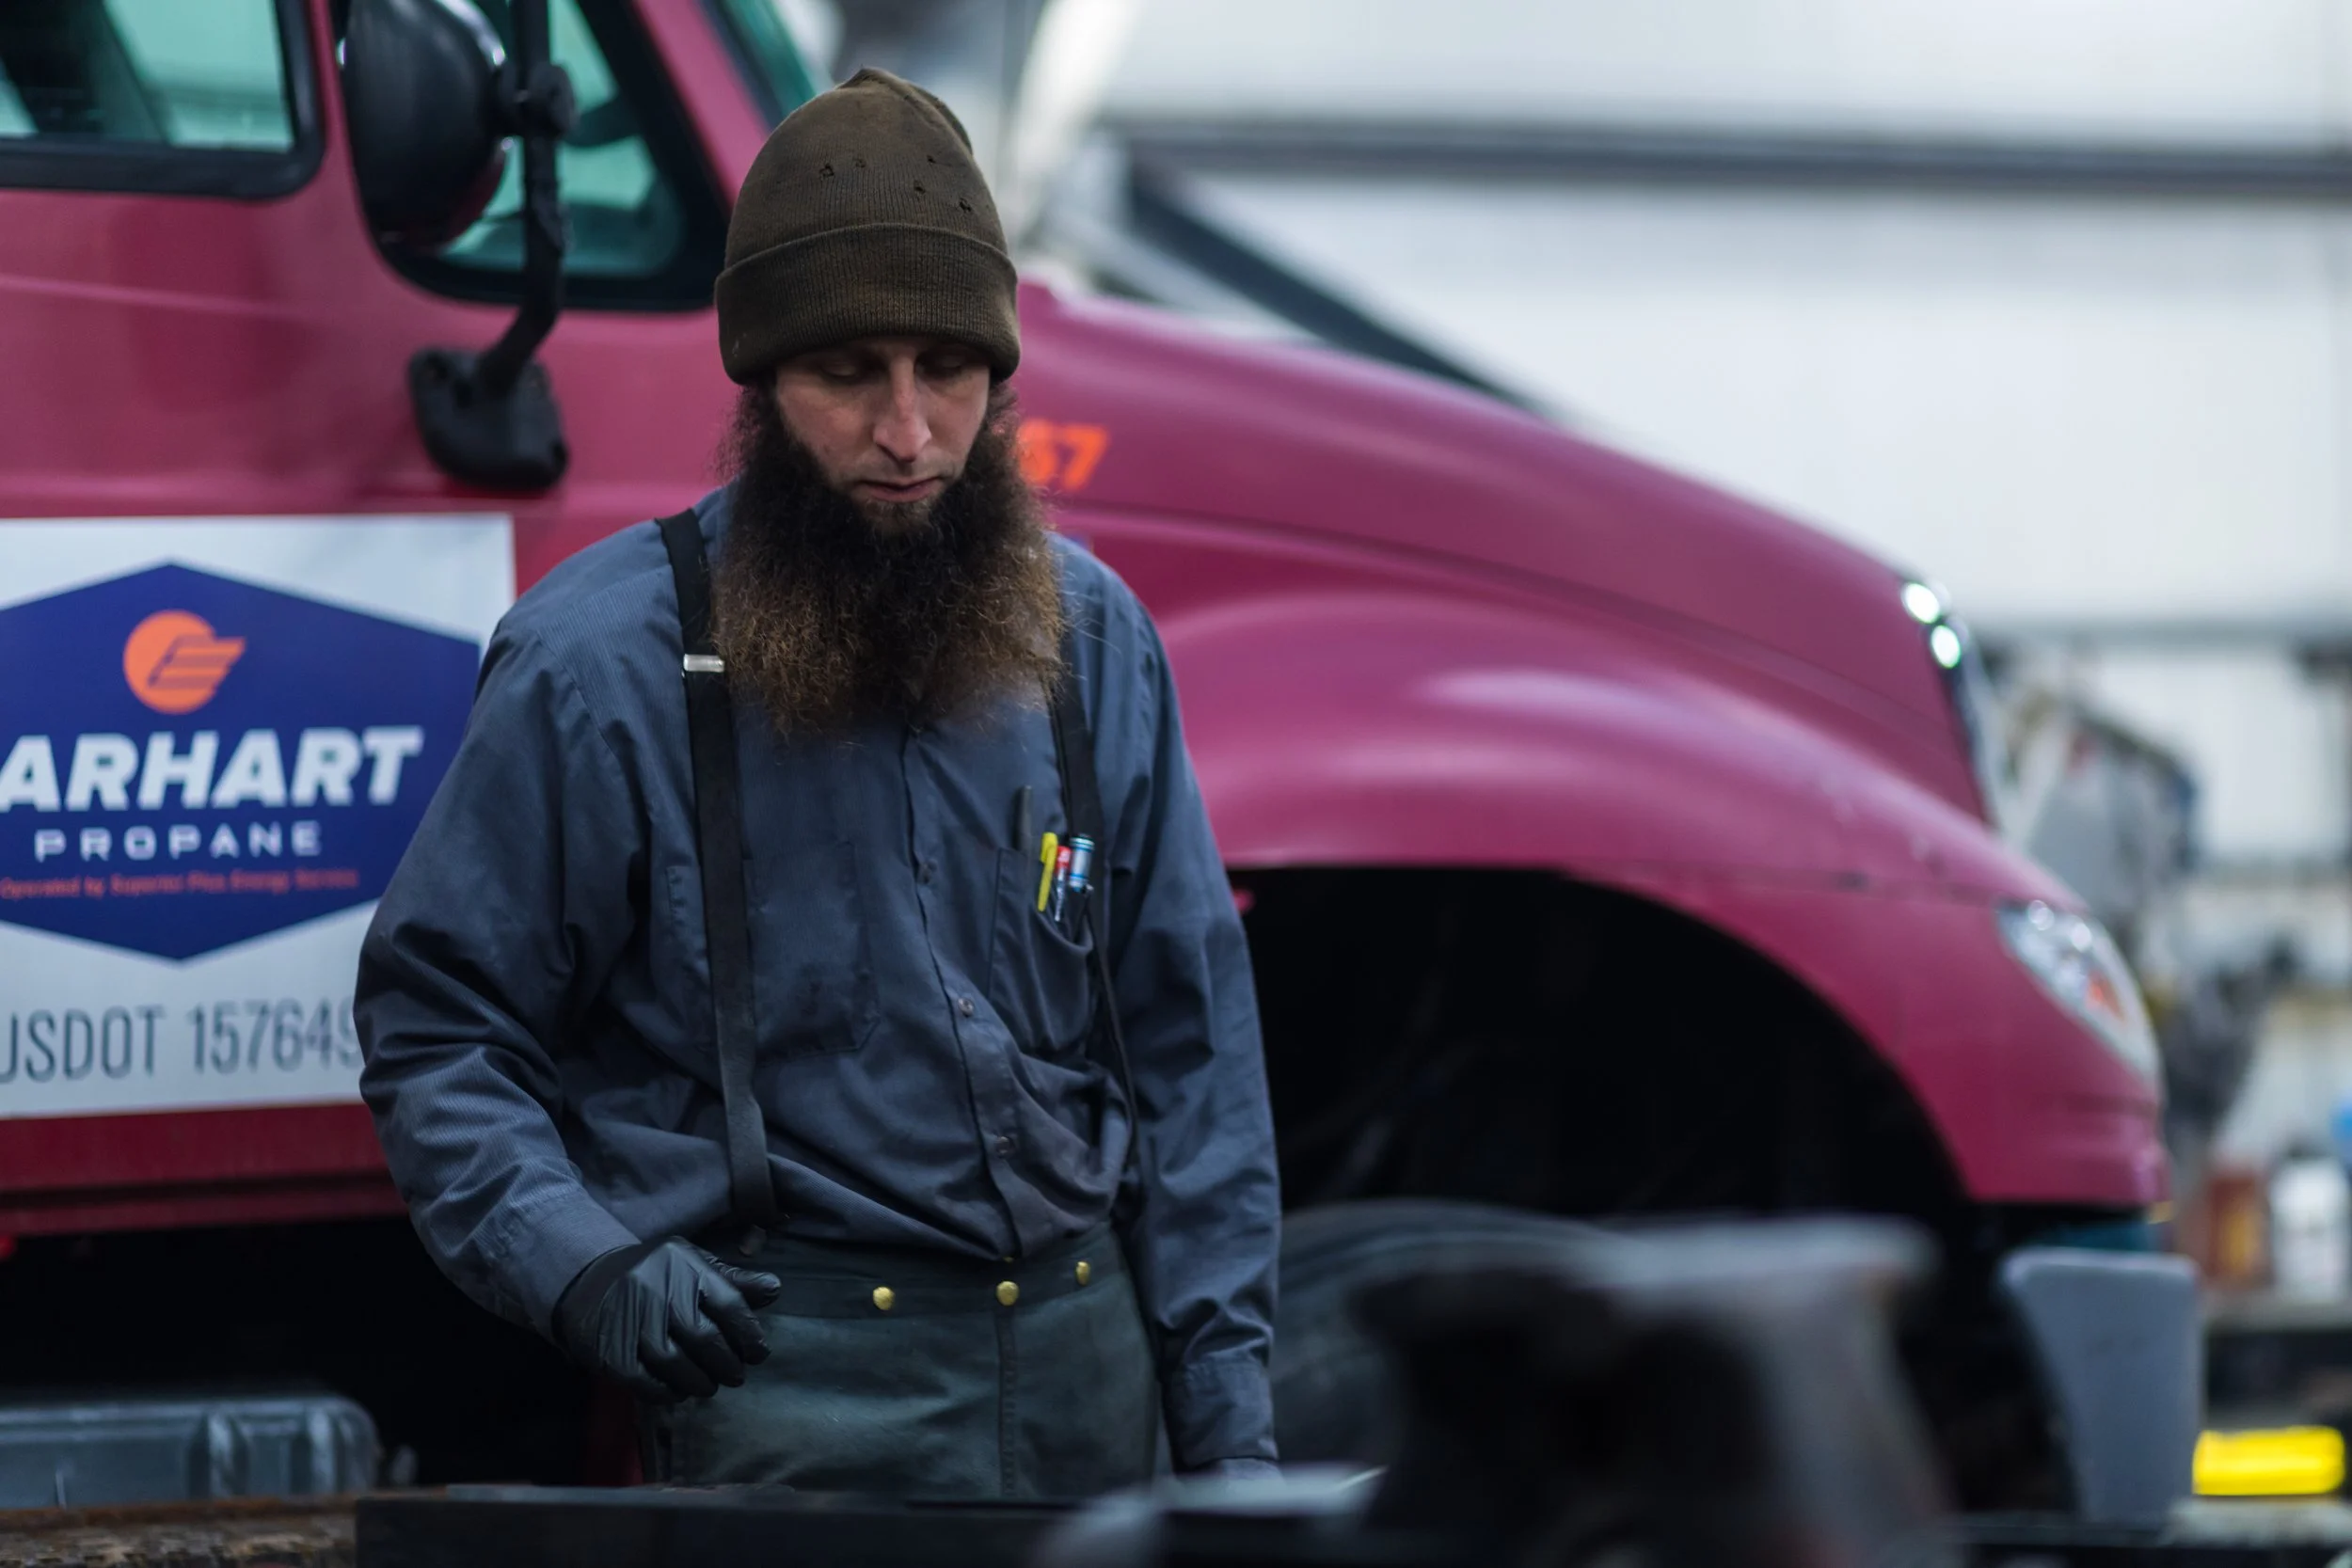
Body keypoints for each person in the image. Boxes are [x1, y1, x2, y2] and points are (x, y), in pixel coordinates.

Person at [355, 68, 1280, 1496]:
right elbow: (441, 1035)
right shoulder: (598, 665)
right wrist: (588, 1266)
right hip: (801, 1394)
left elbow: (1191, 1054)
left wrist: (1229, 1437)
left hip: (1097, 1387)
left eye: (950, 370)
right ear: (764, 384)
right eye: (852, 374)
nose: (908, 431)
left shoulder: (1091, 637)